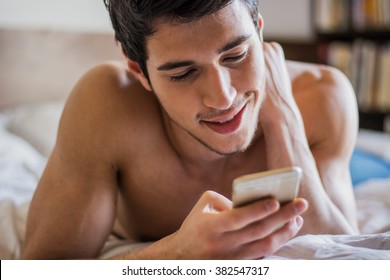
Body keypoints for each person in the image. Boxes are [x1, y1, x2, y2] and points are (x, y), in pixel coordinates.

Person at [21, 0, 359, 260]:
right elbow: (41, 271)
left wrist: (283, 120)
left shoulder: (322, 95)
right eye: (183, 73)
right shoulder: (107, 103)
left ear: (259, 31)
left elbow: (346, 255)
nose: (223, 97)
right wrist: (175, 255)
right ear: (140, 70)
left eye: (236, 55)